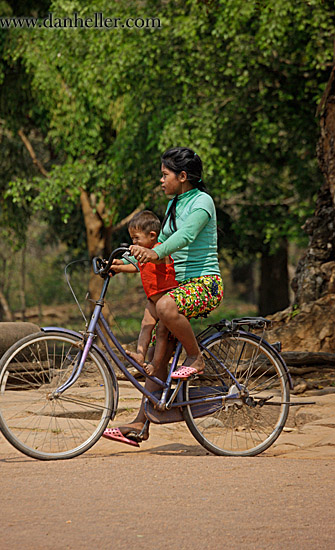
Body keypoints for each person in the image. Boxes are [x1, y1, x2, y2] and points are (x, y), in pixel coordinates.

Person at [103, 146, 223, 446]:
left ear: (182, 176)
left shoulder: (202, 202)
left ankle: (196, 357)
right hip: (178, 287)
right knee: (158, 357)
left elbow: (184, 238)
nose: (161, 180)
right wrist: (120, 265)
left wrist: (153, 251)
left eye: (165, 174)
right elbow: (160, 249)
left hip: (205, 284)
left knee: (165, 305)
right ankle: (141, 424)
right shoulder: (174, 205)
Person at [111, 210, 178, 374]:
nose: (133, 242)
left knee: (162, 332)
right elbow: (135, 267)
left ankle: (155, 364)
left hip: (165, 299)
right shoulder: (144, 254)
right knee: (145, 326)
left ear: (152, 235)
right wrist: (116, 266)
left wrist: (147, 254)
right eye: (132, 238)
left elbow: (160, 259)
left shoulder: (159, 251)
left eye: (136, 238)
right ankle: (140, 355)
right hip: (152, 300)